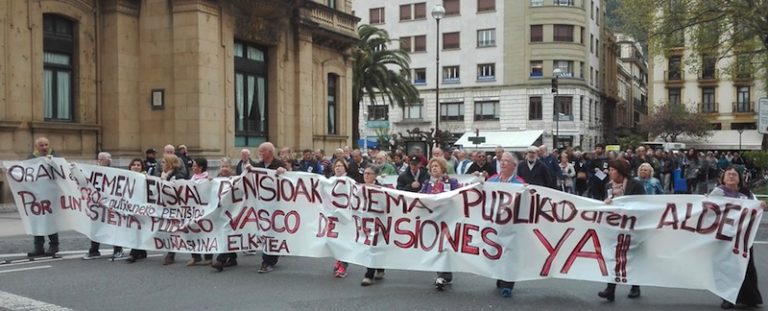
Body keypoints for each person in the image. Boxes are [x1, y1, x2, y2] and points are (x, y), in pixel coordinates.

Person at [710, 166, 766, 309]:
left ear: (740, 178)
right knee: (727, 267)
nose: (732, 176)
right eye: (729, 174)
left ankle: (749, 297)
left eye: (735, 174)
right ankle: (728, 298)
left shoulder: (747, 194)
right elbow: (709, 210)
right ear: (723, 178)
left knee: (745, 267)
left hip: (743, 237)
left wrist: (762, 205)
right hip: (724, 236)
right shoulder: (718, 192)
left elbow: (757, 205)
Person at [597, 159, 646, 302]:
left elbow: (643, 203)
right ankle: (610, 289)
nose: (610, 172)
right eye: (610, 169)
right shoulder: (608, 185)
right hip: (615, 227)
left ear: (620, 171)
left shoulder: (635, 185)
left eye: (613, 170)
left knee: (631, 257)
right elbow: (606, 201)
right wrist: (606, 202)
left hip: (633, 226)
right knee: (614, 256)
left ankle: (635, 286)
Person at [487, 152, 525, 297]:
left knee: (509, 252)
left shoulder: (519, 183)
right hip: (495, 223)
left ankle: (508, 282)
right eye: (501, 161)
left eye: (506, 161)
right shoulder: (492, 180)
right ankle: (500, 275)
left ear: (514, 166)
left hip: (511, 223)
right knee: (496, 250)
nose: (503, 163)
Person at [420, 157, 460, 291]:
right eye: (432, 167)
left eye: (437, 166)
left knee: (446, 246)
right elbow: (420, 198)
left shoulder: (452, 182)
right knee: (437, 247)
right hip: (432, 221)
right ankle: (442, 274)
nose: (434, 168)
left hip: (448, 220)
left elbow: (459, 197)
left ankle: (444, 274)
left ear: (443, 168)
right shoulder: (427, 184)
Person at [83, 152, 126, 260]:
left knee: (113, 227)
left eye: (104, 159)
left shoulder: (114, 172)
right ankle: (94, 250)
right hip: (97, 203)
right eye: (100, 159)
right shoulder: (92, 171)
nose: (101, 160)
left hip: (110, 204)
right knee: (96, 226)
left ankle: (118, 249)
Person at [255, 142, 287, 273]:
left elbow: (288, 181)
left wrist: (283, 172)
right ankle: (269, 257)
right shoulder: (257, 166)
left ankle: (268, 261)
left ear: (269, 152)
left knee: (272, 232)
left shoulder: (279, 165)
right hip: (261, 205)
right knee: (265, 231)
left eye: (262, 151)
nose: (260, 154)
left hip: (275, 205)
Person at [26, 137, 60, 257]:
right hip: (37, 195)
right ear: (36, 147)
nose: (44, 147)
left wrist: (52, 162)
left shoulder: (55, 157)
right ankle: (38, 247)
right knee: (37, 220)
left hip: (51, 195)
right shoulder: (31, 159)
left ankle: (54, 245)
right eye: (42, 145)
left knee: (50, 220)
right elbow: (24, 173)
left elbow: (62, 171)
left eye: (46, 145)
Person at [211, 158, 240, 271]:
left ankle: (220, 260)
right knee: (225, 234)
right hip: (220, 212)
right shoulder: (216, 180)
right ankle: (232, 258)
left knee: (227, 233)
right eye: (222, 166)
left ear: (231, 168)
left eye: (226, 166)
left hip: (233, 211)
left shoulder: (236, 180)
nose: (224, 168)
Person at [360, 166, 386, 286]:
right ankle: (379, 267)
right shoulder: (359, 188)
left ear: (375, 176)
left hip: (379, 221)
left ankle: (369, 274)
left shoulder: (382, 189)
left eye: (369, 173)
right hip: (365, 222)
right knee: (370, 246)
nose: (366, 176)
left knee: (373, 245)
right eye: (365, 173)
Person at [161, 153, 188, 265]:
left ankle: (171, 255)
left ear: (170, 164)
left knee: (178, 230)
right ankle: (171, 254)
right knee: (173, 230)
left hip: (178, 208)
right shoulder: (164, 174)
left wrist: (164, 181)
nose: (161, 164)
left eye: (164, 162)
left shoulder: (179, 176)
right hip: (168, 208)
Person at [187, 158, 213, 266]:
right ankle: (195, 256)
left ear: (200, 167)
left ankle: (208, 257)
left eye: (194, 166)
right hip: (193, 210)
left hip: (204, 210)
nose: (193, 168)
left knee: (206, 233)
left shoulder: (208, 179)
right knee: (192, 232)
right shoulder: (193, 178)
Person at [329, 159, 352, 278]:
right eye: (336, 166)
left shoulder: (349, 181)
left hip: (345, 217)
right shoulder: (330, 181)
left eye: (340, 166)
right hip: (333, 216)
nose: (337, 168)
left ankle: (343, 266)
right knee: (335, 241)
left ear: (345, 168)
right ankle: (338, 260)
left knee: (344, 241)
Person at [126, 158, 148, 263]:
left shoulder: (146, 178)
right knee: (134, 229)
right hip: (130, 207)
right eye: (134, 164)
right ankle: (142, 251)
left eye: (138, 165)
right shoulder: (125, 177)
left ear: (142, 167)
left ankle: (133, 254)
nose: (136, 166)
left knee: (138, 229)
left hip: (142, 207)